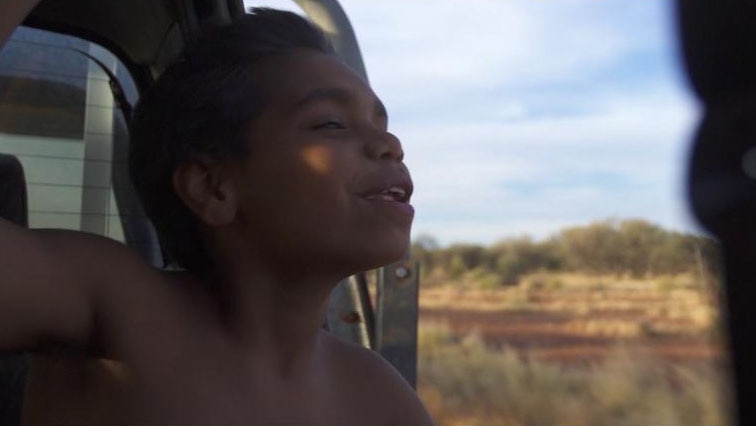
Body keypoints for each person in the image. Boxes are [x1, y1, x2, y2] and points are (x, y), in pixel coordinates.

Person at [0, 6, 434, 425]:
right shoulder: (108, 302)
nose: (389, 143)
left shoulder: (380, 396)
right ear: (213, 187)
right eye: (330, 124)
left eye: (381, 123)